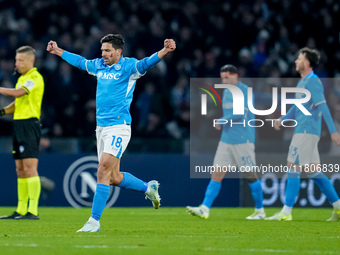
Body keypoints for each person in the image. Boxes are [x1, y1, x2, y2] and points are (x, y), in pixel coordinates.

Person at [46, 34, 176, 232]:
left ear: (118, 52)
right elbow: (80, 62)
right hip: (101, 128)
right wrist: (58, 51)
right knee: (113, 176)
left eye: (107, 51)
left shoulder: (128, 67)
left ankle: (94, 221)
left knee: (102, 170)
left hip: (119, 126)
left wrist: (164, 52)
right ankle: (149, 189)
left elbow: (146, 63)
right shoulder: (99, 66)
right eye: (102, 51)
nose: (103, 54)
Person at [266, 47, 340, 221]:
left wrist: (334, 131)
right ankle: (338, 207)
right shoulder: (302, 82)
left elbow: (323, 106)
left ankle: (286, 212)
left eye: (299, 59)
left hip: (306, 130)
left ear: (306, 63)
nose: (295, 61)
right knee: (314, 172)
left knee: (292, 167)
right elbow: (296, 107)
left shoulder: (313, 81)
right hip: (306, 130)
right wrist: (283, 119)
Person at [186, 65, 265, 220]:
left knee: (250, 175)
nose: (224, 80)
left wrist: (222, 120)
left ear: (236, 76)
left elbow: (240, 113)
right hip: (226, 139)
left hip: (243, 139)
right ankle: (205, 208)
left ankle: (260, 210)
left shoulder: (245, 91)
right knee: (217, 174)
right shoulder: (227, 91)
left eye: (227, 77)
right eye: (222, 78)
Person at [0, 46, 44, 220]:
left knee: (30, 167)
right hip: (18, 125)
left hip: (29, 125)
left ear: (30, 61)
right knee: (20, 169)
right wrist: (2, 112)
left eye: (21, 60)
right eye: (16, 60)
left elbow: (19, 93)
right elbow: (18, 103)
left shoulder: (35, 78)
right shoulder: (22, 79)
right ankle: (20, 209)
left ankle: (32, 210)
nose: (17, 63)